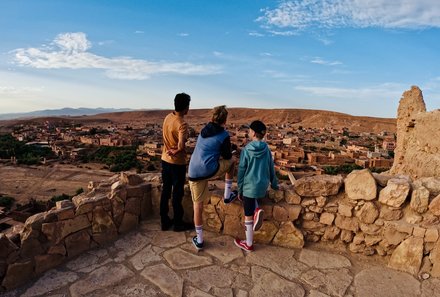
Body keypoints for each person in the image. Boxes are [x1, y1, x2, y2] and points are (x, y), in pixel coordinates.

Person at [188, 105, 238, 251]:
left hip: (193, 171)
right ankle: (228, 195)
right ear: (225, 120)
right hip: (209, 169)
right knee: (232, 161)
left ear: (212, 118)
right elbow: (227, 156)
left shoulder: (203, 131)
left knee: (197, 205)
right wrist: (232, 152)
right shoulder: (223, 135)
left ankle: (200, 239)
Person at [234, 120, 279, 252]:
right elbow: (271, 168)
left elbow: (242, 170)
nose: (248, 132)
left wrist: (239, 188)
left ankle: (248, 243)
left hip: (249, 186)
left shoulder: (247, 150)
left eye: (249, 130)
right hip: (262, 186)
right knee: (254, 200)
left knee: (247, 215)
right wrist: (275, 185)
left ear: (253, 133)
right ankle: (257, 210)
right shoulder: (266, 149)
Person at [160, 93, 193, 232]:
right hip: (177, 163)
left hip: (164, 160)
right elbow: (180, 146)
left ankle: (164, 221)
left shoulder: (168, 117)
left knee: (166, 191)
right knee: (177, 194)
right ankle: (178, 223)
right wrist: (176, 150)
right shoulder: (182, 123)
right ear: (186, 107)